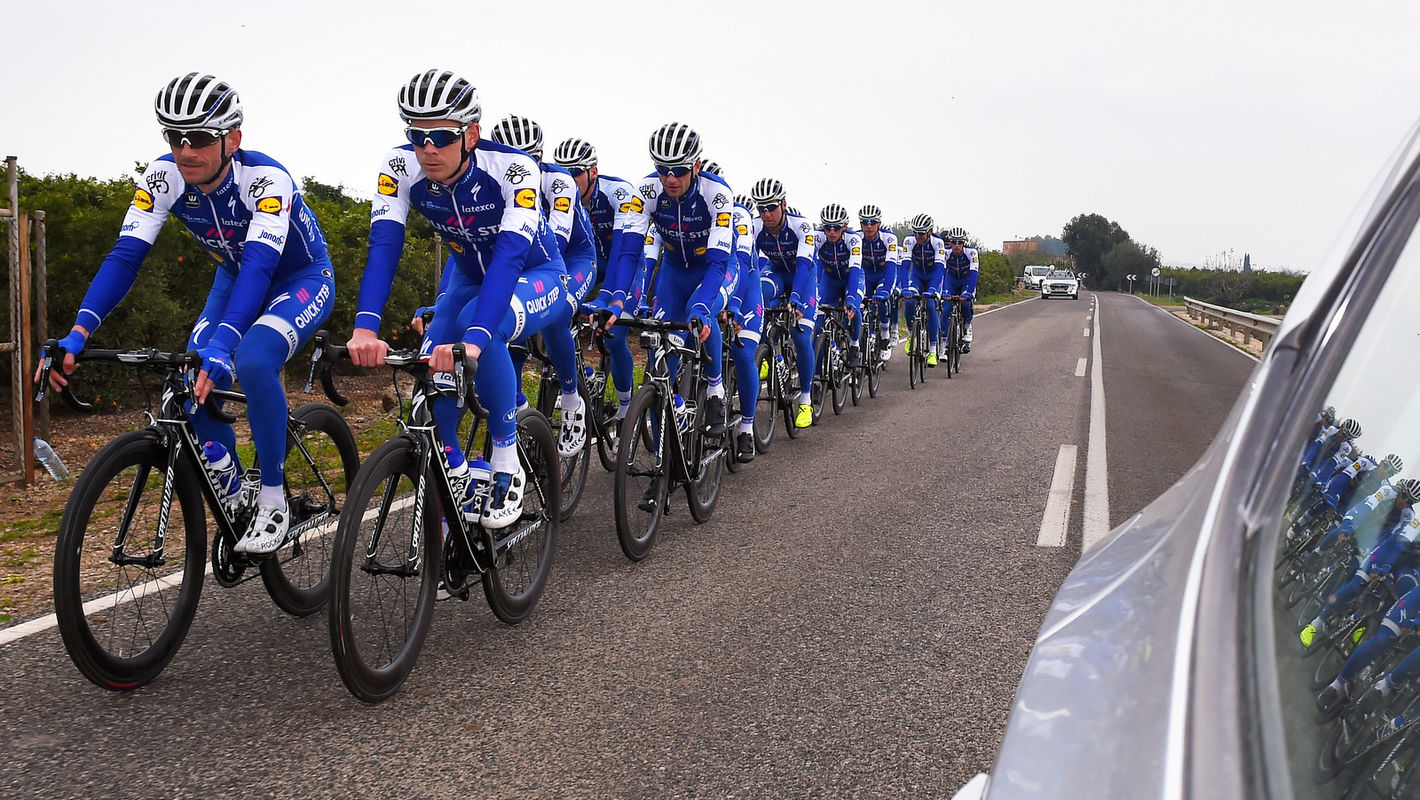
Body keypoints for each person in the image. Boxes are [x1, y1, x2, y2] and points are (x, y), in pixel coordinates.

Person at [40, 73, 335, 555]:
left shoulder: (265, 180)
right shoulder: (163, 178)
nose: (185, 151)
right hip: (233, 278)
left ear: (232, 139)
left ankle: (274, 498)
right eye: (174, 138)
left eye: (198, 138)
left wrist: (226, 344)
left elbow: (261, 266)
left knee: (255, 360)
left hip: (299, 279)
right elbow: (125, 257)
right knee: (190, 373)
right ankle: (232, 485)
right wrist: (78, 331)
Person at [348, 69, 570, 529]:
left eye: (443, 136)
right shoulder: (400, 167)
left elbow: (510, 259)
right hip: (469, 278)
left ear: (471, 134)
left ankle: (507, 458)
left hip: (537, 273)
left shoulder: (513, 171)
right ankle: (454, 467)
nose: (428, 149)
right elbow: (384, 247)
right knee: (431, 367)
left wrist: (476, 337)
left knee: (477, 328)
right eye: (417, 136)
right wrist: (365, 327)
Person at [601, 122, 734, 455]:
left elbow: (719, 263)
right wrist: (618, 300)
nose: (670, 178)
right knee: (660, 366)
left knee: (700, 313)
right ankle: (663, 456)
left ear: (696, 167)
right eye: (662, 169)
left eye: (679, 170)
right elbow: (629, 252)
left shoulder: (716, 193)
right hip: (673, 271)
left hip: (711, 269)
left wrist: (704, 305)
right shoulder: (646, 191)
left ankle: (715, 391)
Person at [485, 114, 589, 457]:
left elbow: (554, 242)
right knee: (500, 325)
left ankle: (572, 400)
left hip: (569, 259)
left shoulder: (560, 183)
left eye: (526, 159)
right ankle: (517, 404)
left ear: (540, 158)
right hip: (520, 260)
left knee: (556, 314)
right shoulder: (490, 180)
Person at [549, 137, 639, 422]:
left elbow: (624, 250)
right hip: (586, 263)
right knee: (556, 316)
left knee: (614, 337)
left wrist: (608, 297)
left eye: (576, 172)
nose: (569, 181)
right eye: (564, 173)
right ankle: (583, 373)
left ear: (593, 172)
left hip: (624, 264)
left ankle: (626, 405)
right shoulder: (555, 193)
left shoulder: (619, 192)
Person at [700, 162, 761, 463]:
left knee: (743, 353)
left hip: (744, 286)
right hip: (711, 284)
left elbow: (742, 263)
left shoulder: (738, 216)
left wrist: (733, 304)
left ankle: (747, 428)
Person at [750, 178, 817, 428]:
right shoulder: (756, 226)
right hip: (776, 271)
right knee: (762, 294)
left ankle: (806, 401)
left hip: (804, 276)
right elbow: (750, 262)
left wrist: (796, 297)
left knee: (801, 336)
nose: (766, 214)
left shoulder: (801, 226)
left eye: (771, 207)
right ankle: (772, 354)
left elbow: (804, 265)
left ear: (784, 204)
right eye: (761, 208)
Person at [813, 203, 864, 365]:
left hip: (852, 278)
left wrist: (850, 299)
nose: (832, 232)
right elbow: (814, 267)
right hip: (830, 280)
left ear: (844, 226)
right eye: (827, 227)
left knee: (853, 307)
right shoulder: (818, 237)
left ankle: (854, 344)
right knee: (819, 322)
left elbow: (855, 270)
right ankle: (817, 375)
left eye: (836, 227)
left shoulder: (854, 239)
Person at [856, 204, 899, 362]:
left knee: (882, 301)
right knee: (860, 307)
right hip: (865, 276)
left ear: (879, 223)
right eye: (865, 222)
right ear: (861, 224)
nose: (869, 226)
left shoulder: (889, 238)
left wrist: (886, 291)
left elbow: (891, 267)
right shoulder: (857, 238)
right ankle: (861, 345)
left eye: (872, 222)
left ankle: (886, 335)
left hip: (883, 275)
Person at [901, 214, 945, 366]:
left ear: (930, 231)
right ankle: (911, 335)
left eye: (921, 233)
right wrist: (905, 288)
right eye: (915, 233)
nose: (918, 236)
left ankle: (933, 350)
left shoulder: (938, 242)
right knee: (909, 301)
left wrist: (932, 290)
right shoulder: (909, 241)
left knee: (931, 306)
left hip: (934, 277)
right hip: (917, 275)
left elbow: (940, 269)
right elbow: (905, 267)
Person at [941, 226, 980, 353]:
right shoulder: (946, 252)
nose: (957, 246)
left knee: (966, 303)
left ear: (964, 243)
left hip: (966, 281)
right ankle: (945, 341)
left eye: (960, 242)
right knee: (946, 308)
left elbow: (974, 273)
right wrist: (941, 291)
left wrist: (969, 292)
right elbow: (941, 272)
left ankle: (968, 327)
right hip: (951, 281)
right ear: (950, 242)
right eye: (954, 242)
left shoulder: (971, 252)